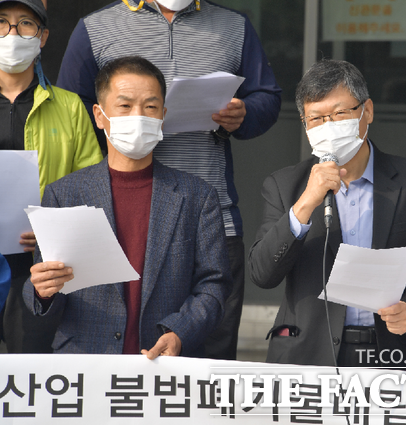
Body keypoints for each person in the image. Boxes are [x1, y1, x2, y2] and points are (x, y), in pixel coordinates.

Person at [56, 0, 282, 360]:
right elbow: (71, 111)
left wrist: (245, 112)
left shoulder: (234, 26)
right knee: (113, 343)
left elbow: (267, 97)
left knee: (210, 353)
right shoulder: (95, 28)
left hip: (214, 213)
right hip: (120, 215)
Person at [249, 60, 406, 372]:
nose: (329, 126)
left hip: (389, 354)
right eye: (316, 119)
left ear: (367, 111)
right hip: (308, 355)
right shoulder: (284, 185)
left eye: (339, 114)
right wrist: (306, 203)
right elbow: (262, 273)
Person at [22, 56, 231, 356]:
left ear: (163, 115)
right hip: (86, 363)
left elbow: (214, 284)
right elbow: (46, 285)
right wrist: (41, 291)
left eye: (150, 107)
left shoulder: (198, 197)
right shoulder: (63, 194)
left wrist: (180, 332)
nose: (139, 116)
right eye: (125, 105)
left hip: (163, 363)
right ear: (99, 115)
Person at [0, 0, 102, 353]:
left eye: (25, 24)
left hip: (40, 268)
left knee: (31, 375)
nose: (12, 33)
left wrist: (52, 227)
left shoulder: (70, 107)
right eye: (2, 22)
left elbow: (92, 187)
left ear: (42, 37)